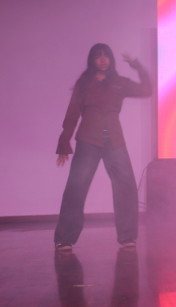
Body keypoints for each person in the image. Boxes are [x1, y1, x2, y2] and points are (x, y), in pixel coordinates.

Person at [55, 44, 152, 251]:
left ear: (111, 59)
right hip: (87, 141)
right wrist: (64, 142)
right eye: (98, 56)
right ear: (92, 60)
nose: (102, 59)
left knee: (126, 187)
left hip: (114, 141)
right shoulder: (84, 83)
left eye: (106, 55)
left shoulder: (119, 83)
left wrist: (136, 65)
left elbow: (146, 90)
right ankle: (65, 238)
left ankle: (127, 236)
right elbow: (72, 113)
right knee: (76, 188)